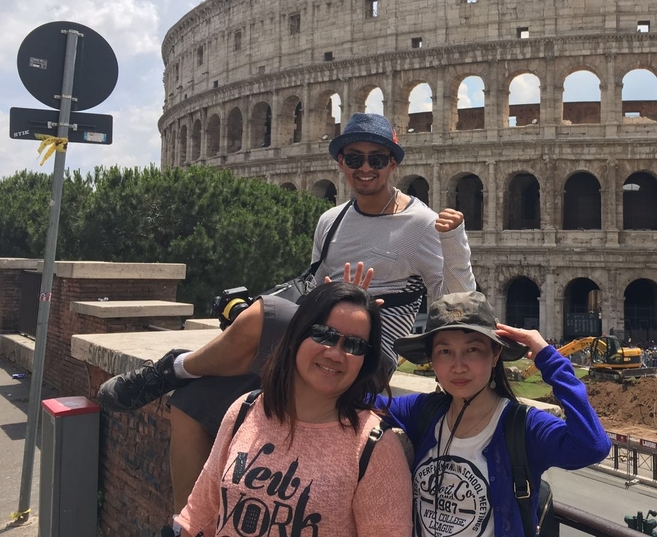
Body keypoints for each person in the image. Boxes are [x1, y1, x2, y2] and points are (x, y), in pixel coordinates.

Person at [98, 112, 475, 515]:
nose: (366, 168)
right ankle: (183, 524)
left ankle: (172, 368)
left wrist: (453, 242)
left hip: (370, 353)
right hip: (316, 341)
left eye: (377, 159)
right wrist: (335, 299)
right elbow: (312, 290)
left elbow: (460, 302)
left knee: (265, 314)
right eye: (355, 158)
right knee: (191, 404)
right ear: (341, 163)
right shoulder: (331, 220)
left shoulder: (420, 223)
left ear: (393, 164)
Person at [175, 282, 412, 536]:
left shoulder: (375, 449)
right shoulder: (245, 411)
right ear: (297, 335)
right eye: (324, 334)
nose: (335, 353)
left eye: (354, 345)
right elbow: (200, 515)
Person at [380, 290, 611, 535]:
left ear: (495, 355)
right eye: (445, 351)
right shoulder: (423, 411)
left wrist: (549, 358)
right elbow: (355, 401)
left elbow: (592, 446)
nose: (459, 366)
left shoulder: (523, 427)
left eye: (473, 350)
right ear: (432, 359)